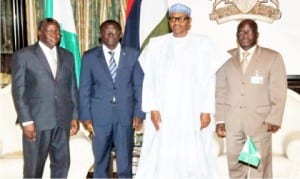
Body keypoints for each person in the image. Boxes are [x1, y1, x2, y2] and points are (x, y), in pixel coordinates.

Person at [135, 3, 228, 178]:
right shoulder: (157, 44)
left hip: (192, 110)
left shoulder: (204, 44)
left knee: (192, 154)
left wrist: (207, 110)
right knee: (162, 154)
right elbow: (149, 80)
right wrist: (152, 108)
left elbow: (210, 80)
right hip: (164, 111)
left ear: (189, 22)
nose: (176, 23)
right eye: (172, 19)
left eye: (180, 19)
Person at [215, 19, 287, 178]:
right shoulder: (224, 58)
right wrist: (220, 119)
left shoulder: (272, 57)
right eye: (240, 32)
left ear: (257, 34)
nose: (244, 35)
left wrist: (274, 118)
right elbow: (220, 90)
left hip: (259, 123)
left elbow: (279, 91)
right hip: (232, 122)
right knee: (235, 165)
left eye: (248, 31)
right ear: (236, 35)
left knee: (257, 167)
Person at [10, 18, 79, 178]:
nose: (55, 35)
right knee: (34, 168)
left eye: (57, 32)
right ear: (39, 32)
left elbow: (72, 88)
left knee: (62, 165)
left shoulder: (67, 56)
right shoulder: (24, 55)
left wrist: (74, 116)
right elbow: (18, 91)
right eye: (50, 31)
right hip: (37, 122)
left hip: (62, 121)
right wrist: (26, 121)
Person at [79, 19, 145, 178]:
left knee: (124, 161)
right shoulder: (89, 57)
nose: (110, 34)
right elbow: (84, 89)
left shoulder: (133, 54)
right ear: (100, 35)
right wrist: (86, 117)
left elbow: (139, 86)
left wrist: (139, 113)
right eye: (106, 31)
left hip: (125, 116)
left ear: (120, 34)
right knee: (100, 161)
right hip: (99, 118)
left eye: (114, 31)